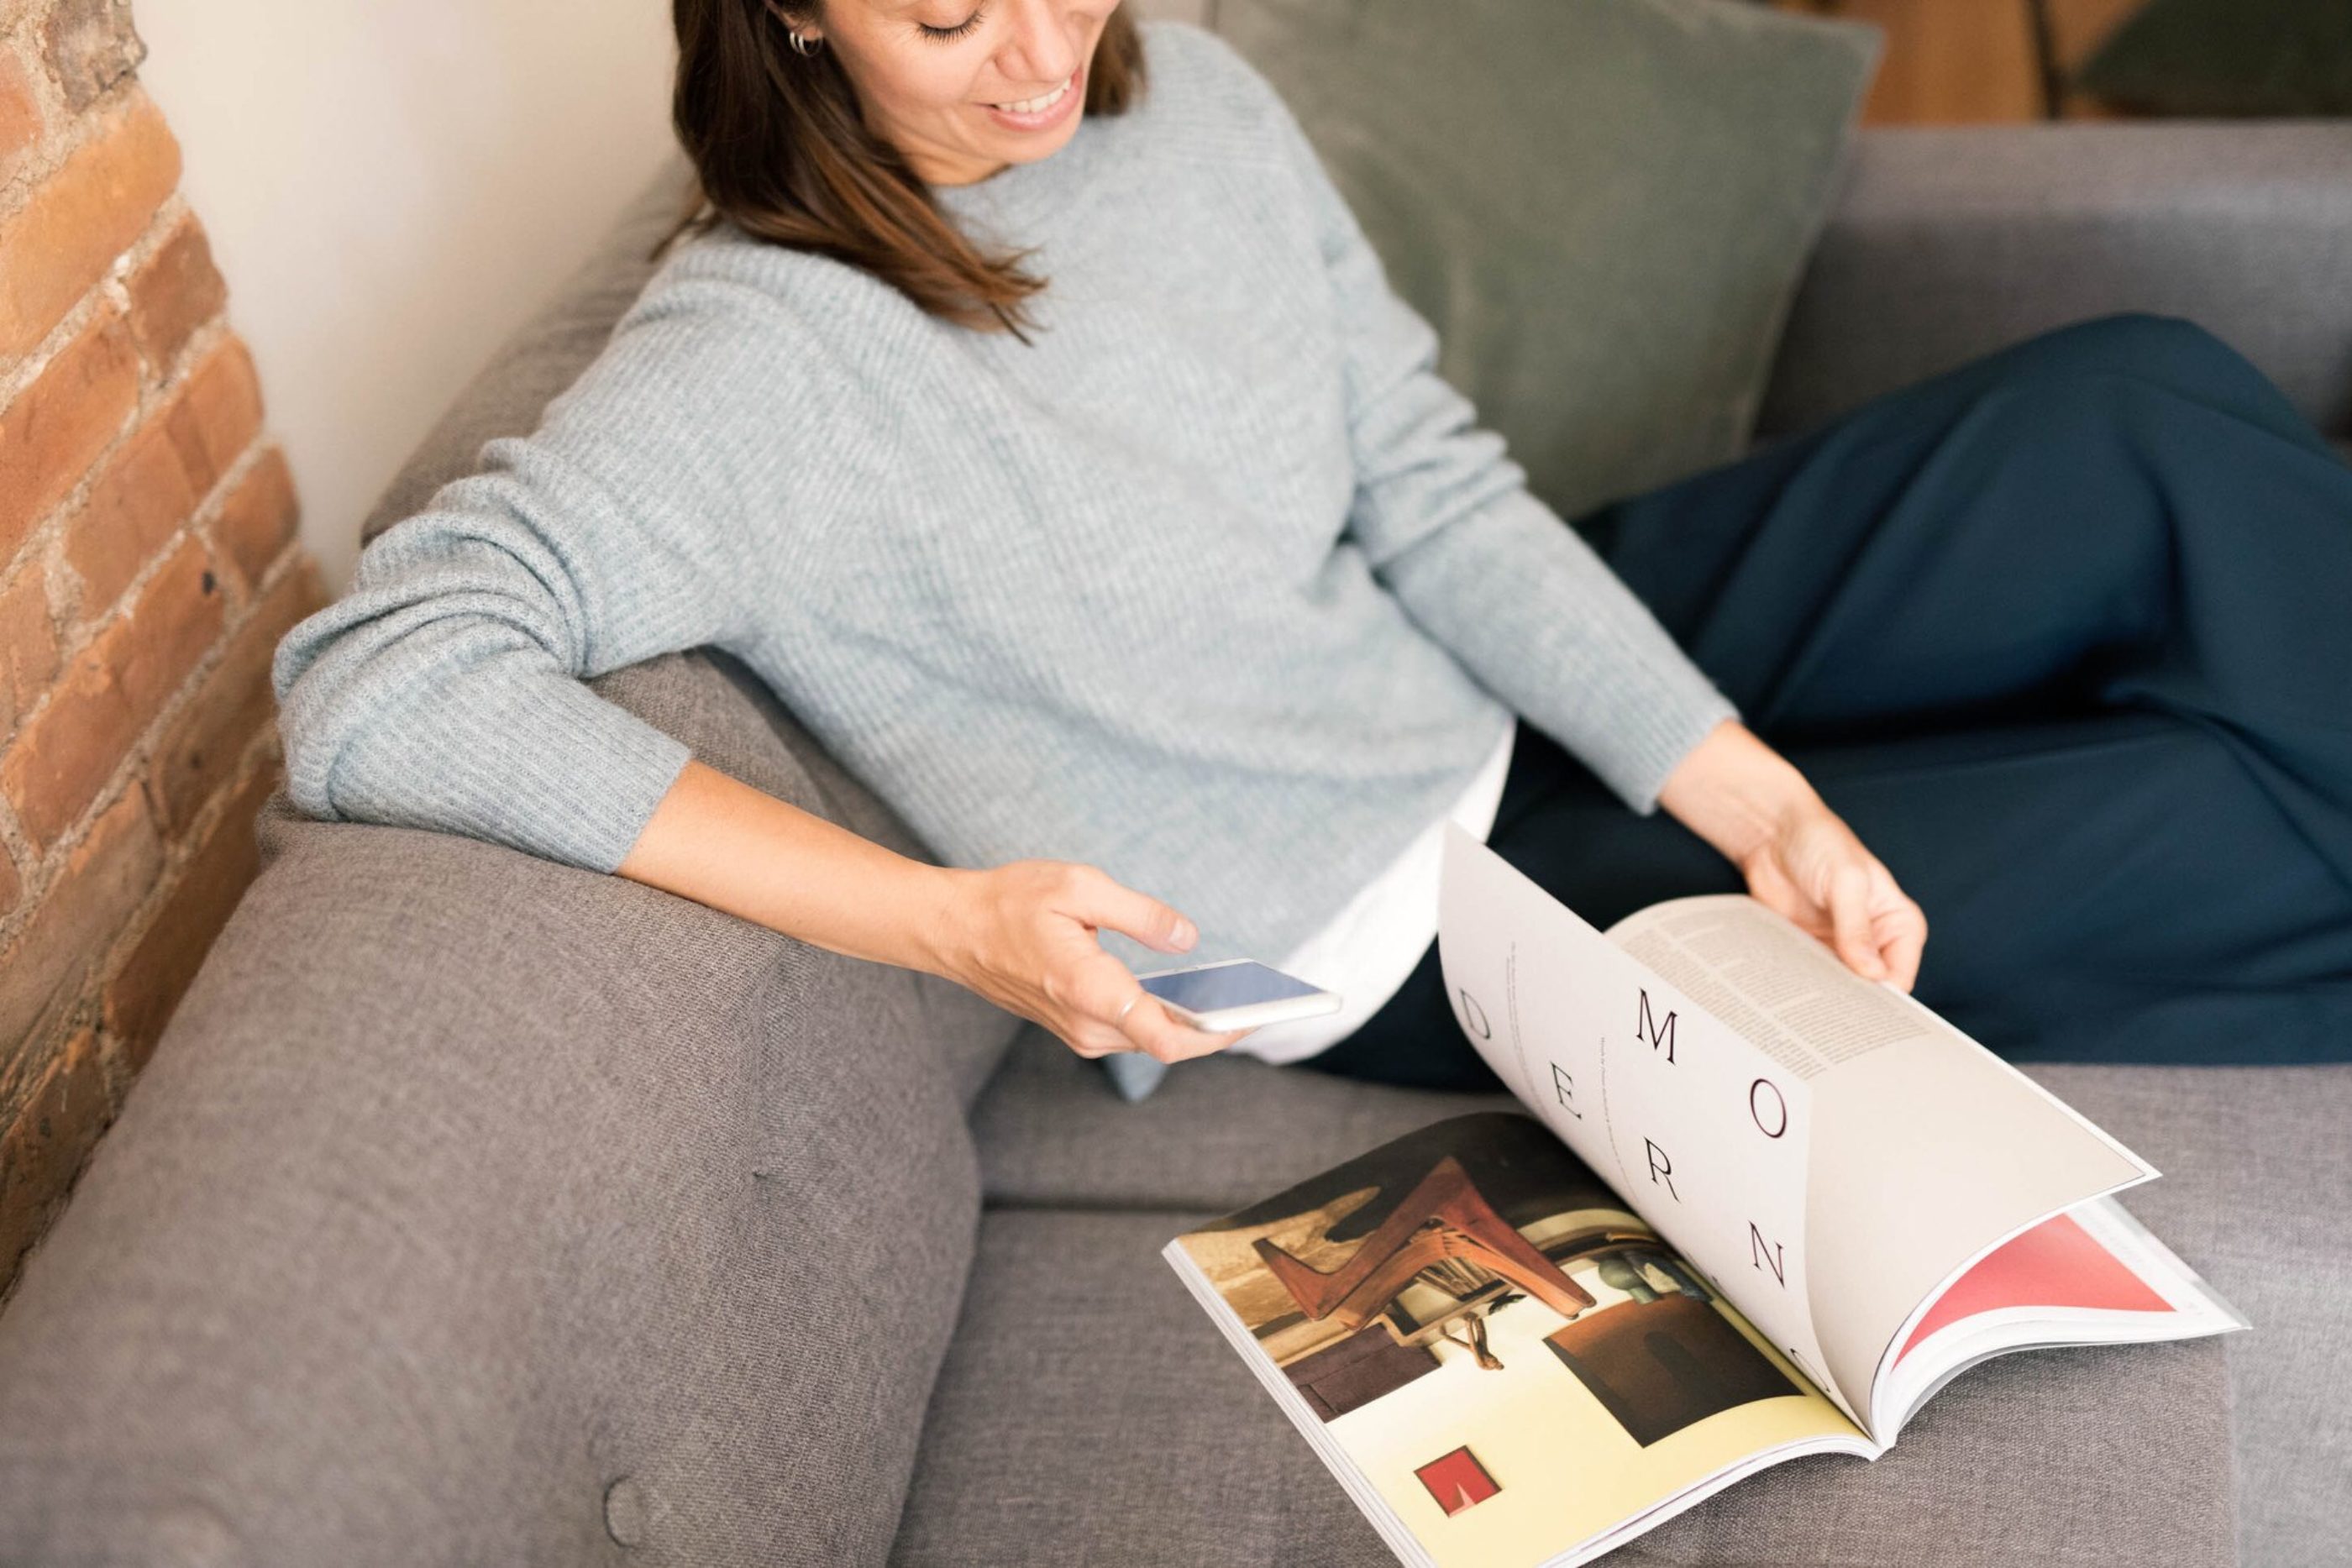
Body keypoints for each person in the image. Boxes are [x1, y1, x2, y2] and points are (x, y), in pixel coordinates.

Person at [272, 2, 2352, 1097]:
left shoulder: (1189, 116)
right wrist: (933, 916)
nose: (1036, 56)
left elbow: (1426, 485)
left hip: (1452, 662)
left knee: (2138, 405)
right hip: (1395, 926)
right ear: (792, 16)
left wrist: (1746, 786)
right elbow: (377, 679)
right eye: (940, 18)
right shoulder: (752, 365)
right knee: (2221, 829)